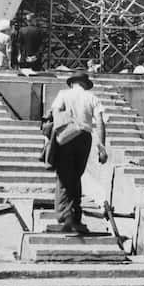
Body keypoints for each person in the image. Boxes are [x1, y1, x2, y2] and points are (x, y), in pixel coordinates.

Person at [45, 70, 108, 235]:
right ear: (85, 84)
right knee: (76, 176)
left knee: (64, 177)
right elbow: (100, 123)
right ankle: (75, 215)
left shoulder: (64, 94)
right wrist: (101, 147)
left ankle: (65, 218)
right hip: (85, 137)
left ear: (72, 82)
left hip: (67, 135)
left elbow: (53, 113)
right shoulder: (92, 98)